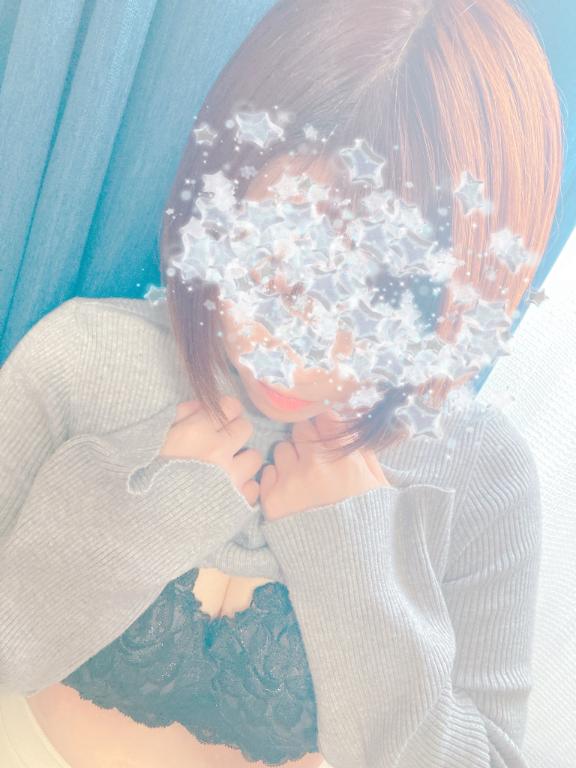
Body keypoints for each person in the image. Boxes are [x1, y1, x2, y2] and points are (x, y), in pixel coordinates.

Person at [0, 0, 562, 766]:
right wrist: (137, 519)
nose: (296, 354)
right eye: (273, 264)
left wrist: (358, 565)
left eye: (370, 307)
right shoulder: (84, 359)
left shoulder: (478, 474)